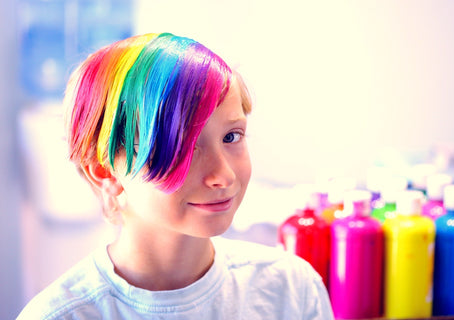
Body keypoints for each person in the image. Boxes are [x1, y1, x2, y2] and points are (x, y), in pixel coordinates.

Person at [17, 32, 334, 319]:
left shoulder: (290, 291)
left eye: (231, 137)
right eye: (183, 146)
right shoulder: (60, 315)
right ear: (106, 172)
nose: (223, 176)